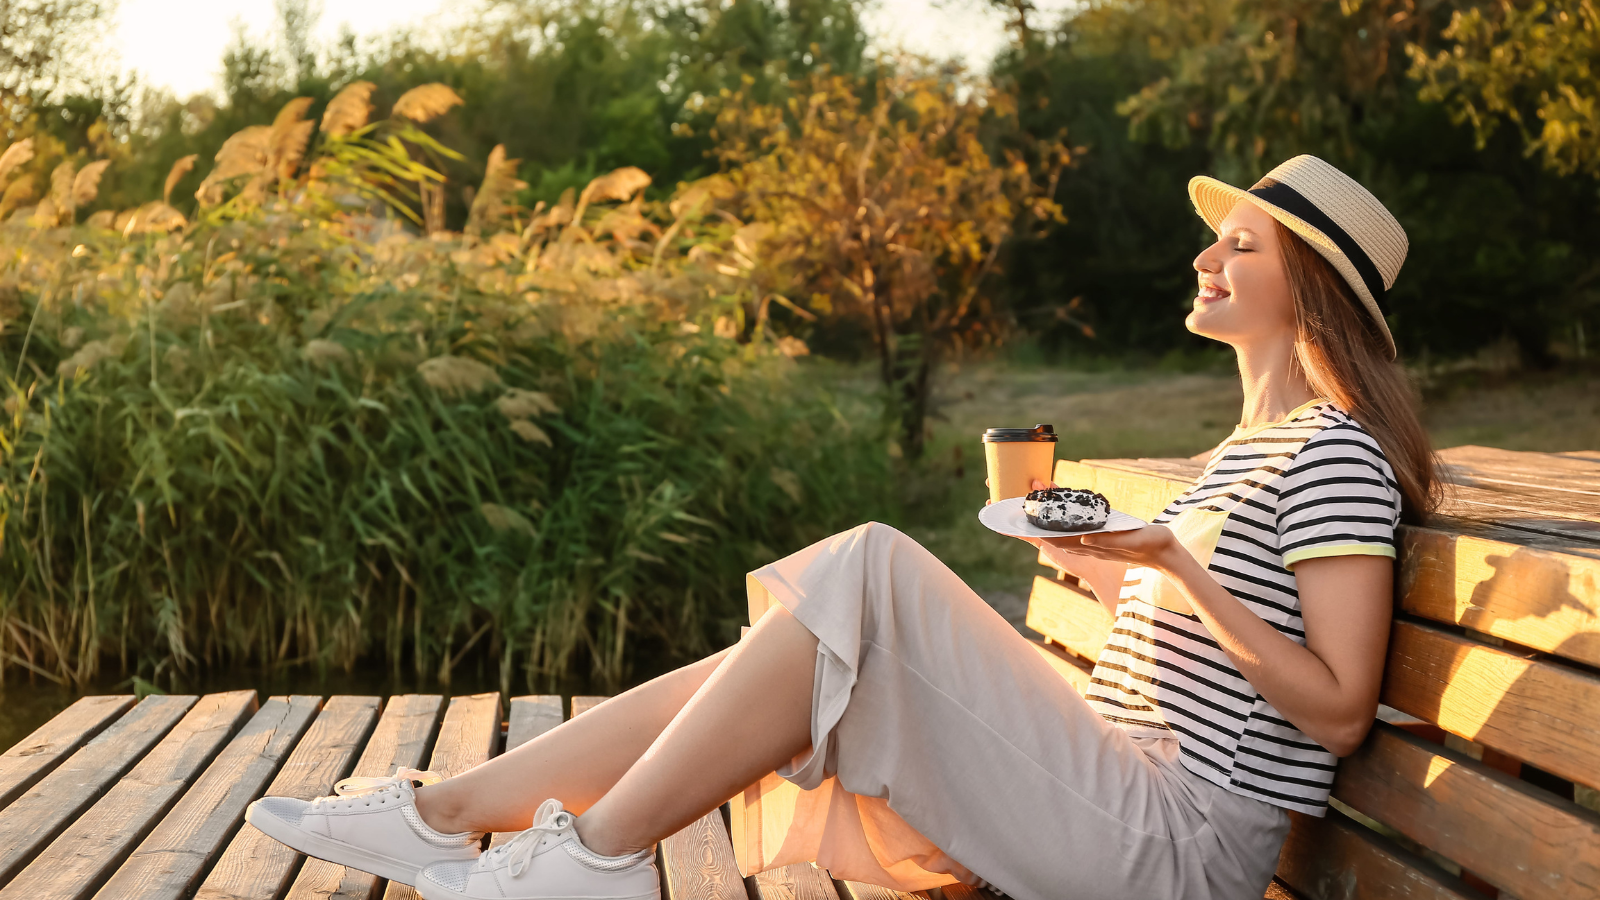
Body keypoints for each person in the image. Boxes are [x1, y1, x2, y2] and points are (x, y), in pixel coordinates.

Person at [244, 154, 1440, 900]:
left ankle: (587, 856)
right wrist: (1120, 578)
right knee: (807, 632)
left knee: (865, 570)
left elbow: (1333, 710)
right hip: (1115, 784)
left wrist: (1174, 559)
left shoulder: (1334, 452)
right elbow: (1218, 653)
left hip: (1169, 845)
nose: (1204, 256)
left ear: (1312, 289)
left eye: (1242, 245)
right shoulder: (1242, 451)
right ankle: (450, 816)